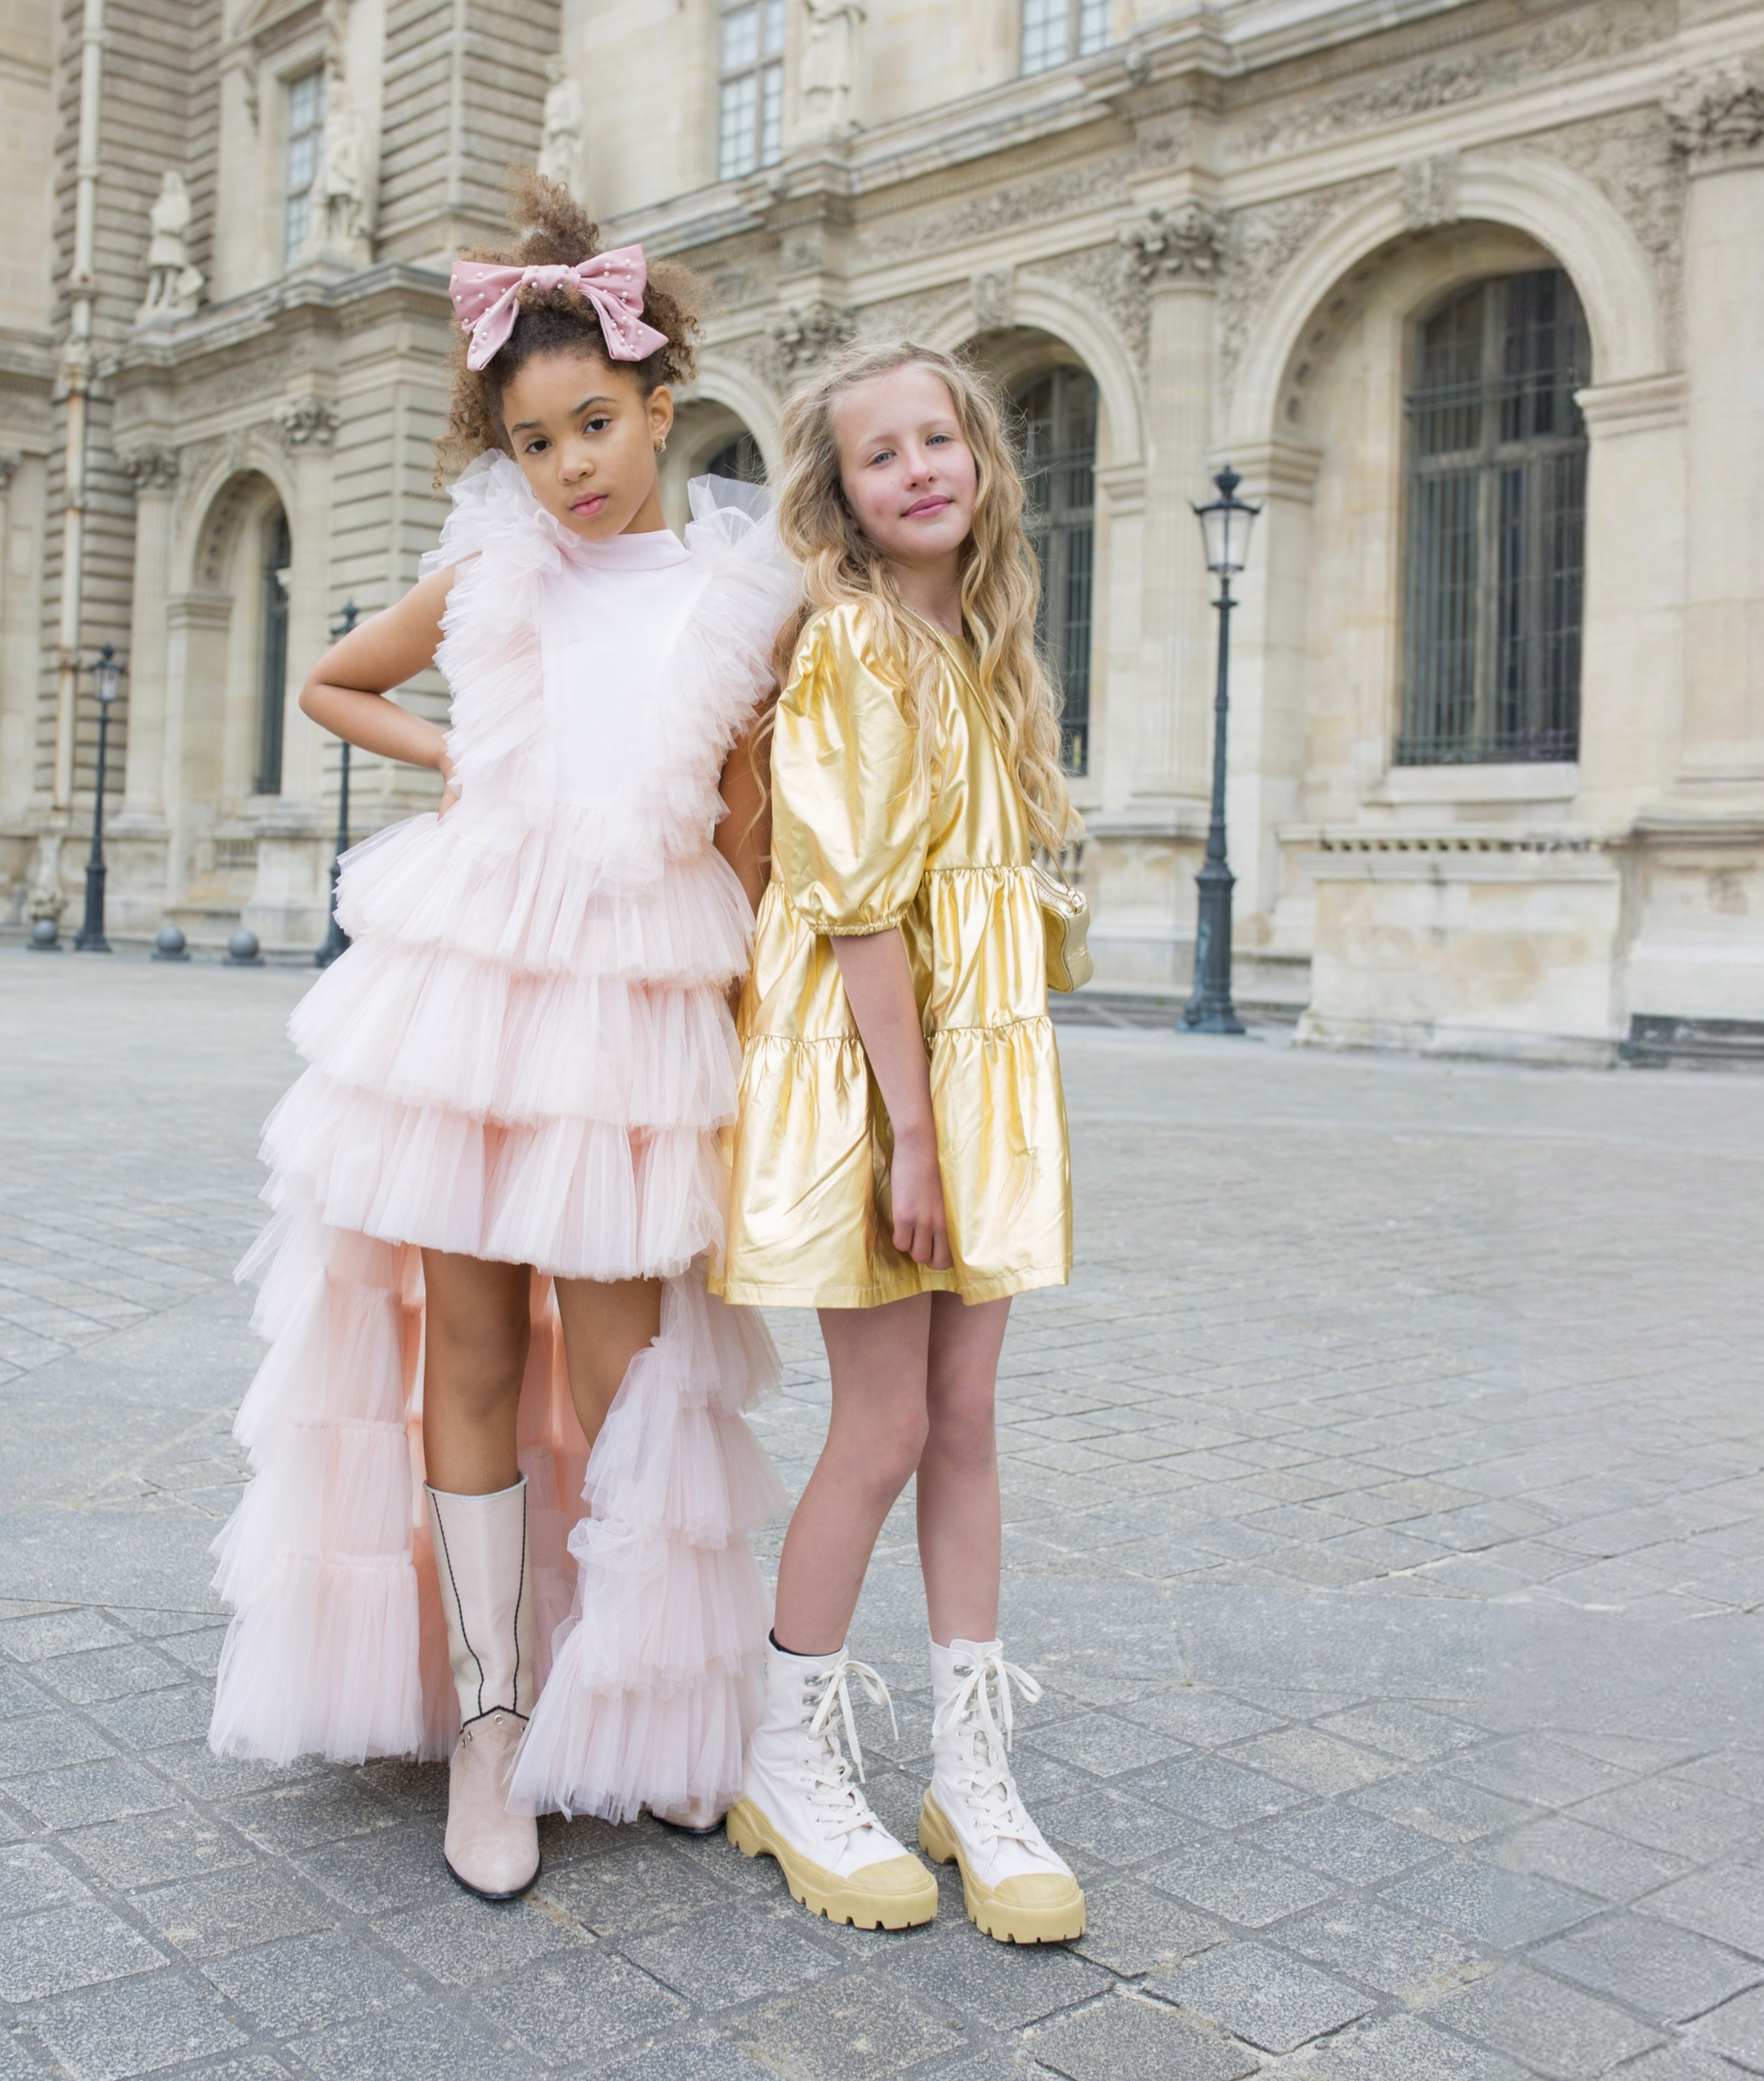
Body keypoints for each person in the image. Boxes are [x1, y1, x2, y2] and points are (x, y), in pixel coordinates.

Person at [208, 175, 797, 1904]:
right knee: (463, 1340)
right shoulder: (493, 569)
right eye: (537, 442)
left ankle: (640, 1694)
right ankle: (489, 1719)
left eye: (597, 424)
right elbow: (334, 681)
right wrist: (459, 764)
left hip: (633, 1001)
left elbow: (750, 829)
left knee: (625, 1353)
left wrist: (759, 1028)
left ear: (661, 405)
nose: (573, 467)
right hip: (474, 984)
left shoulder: (734, 597)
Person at [713, 339, 1087, 1944]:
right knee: (879, 1427)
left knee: (968, 1416)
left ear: (982, 463)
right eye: (884, 454)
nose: (922, 467)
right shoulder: (856, 642)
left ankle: (970, 1774)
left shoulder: (987, 650)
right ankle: (785, 1759)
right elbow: (856, 907)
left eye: (943, 439)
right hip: (878, 1077)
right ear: (843, 496)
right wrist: (913, 1138)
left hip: (975, 1072)